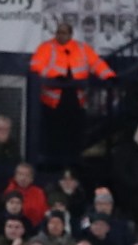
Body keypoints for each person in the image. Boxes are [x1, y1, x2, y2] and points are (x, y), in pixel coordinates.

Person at [30, 22, 115, 168]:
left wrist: (109, 76)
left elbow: (96, 64)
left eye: (64, 32)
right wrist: (55, 75)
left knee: (75, 132)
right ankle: (52, 164)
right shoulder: (46, 47)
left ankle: (74, 163)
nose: (60, 35)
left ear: (70, 34)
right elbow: (36, 65)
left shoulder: (82, 49)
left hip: (76, 99)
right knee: (53, 133)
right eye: (58, 32)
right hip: (52, 102)